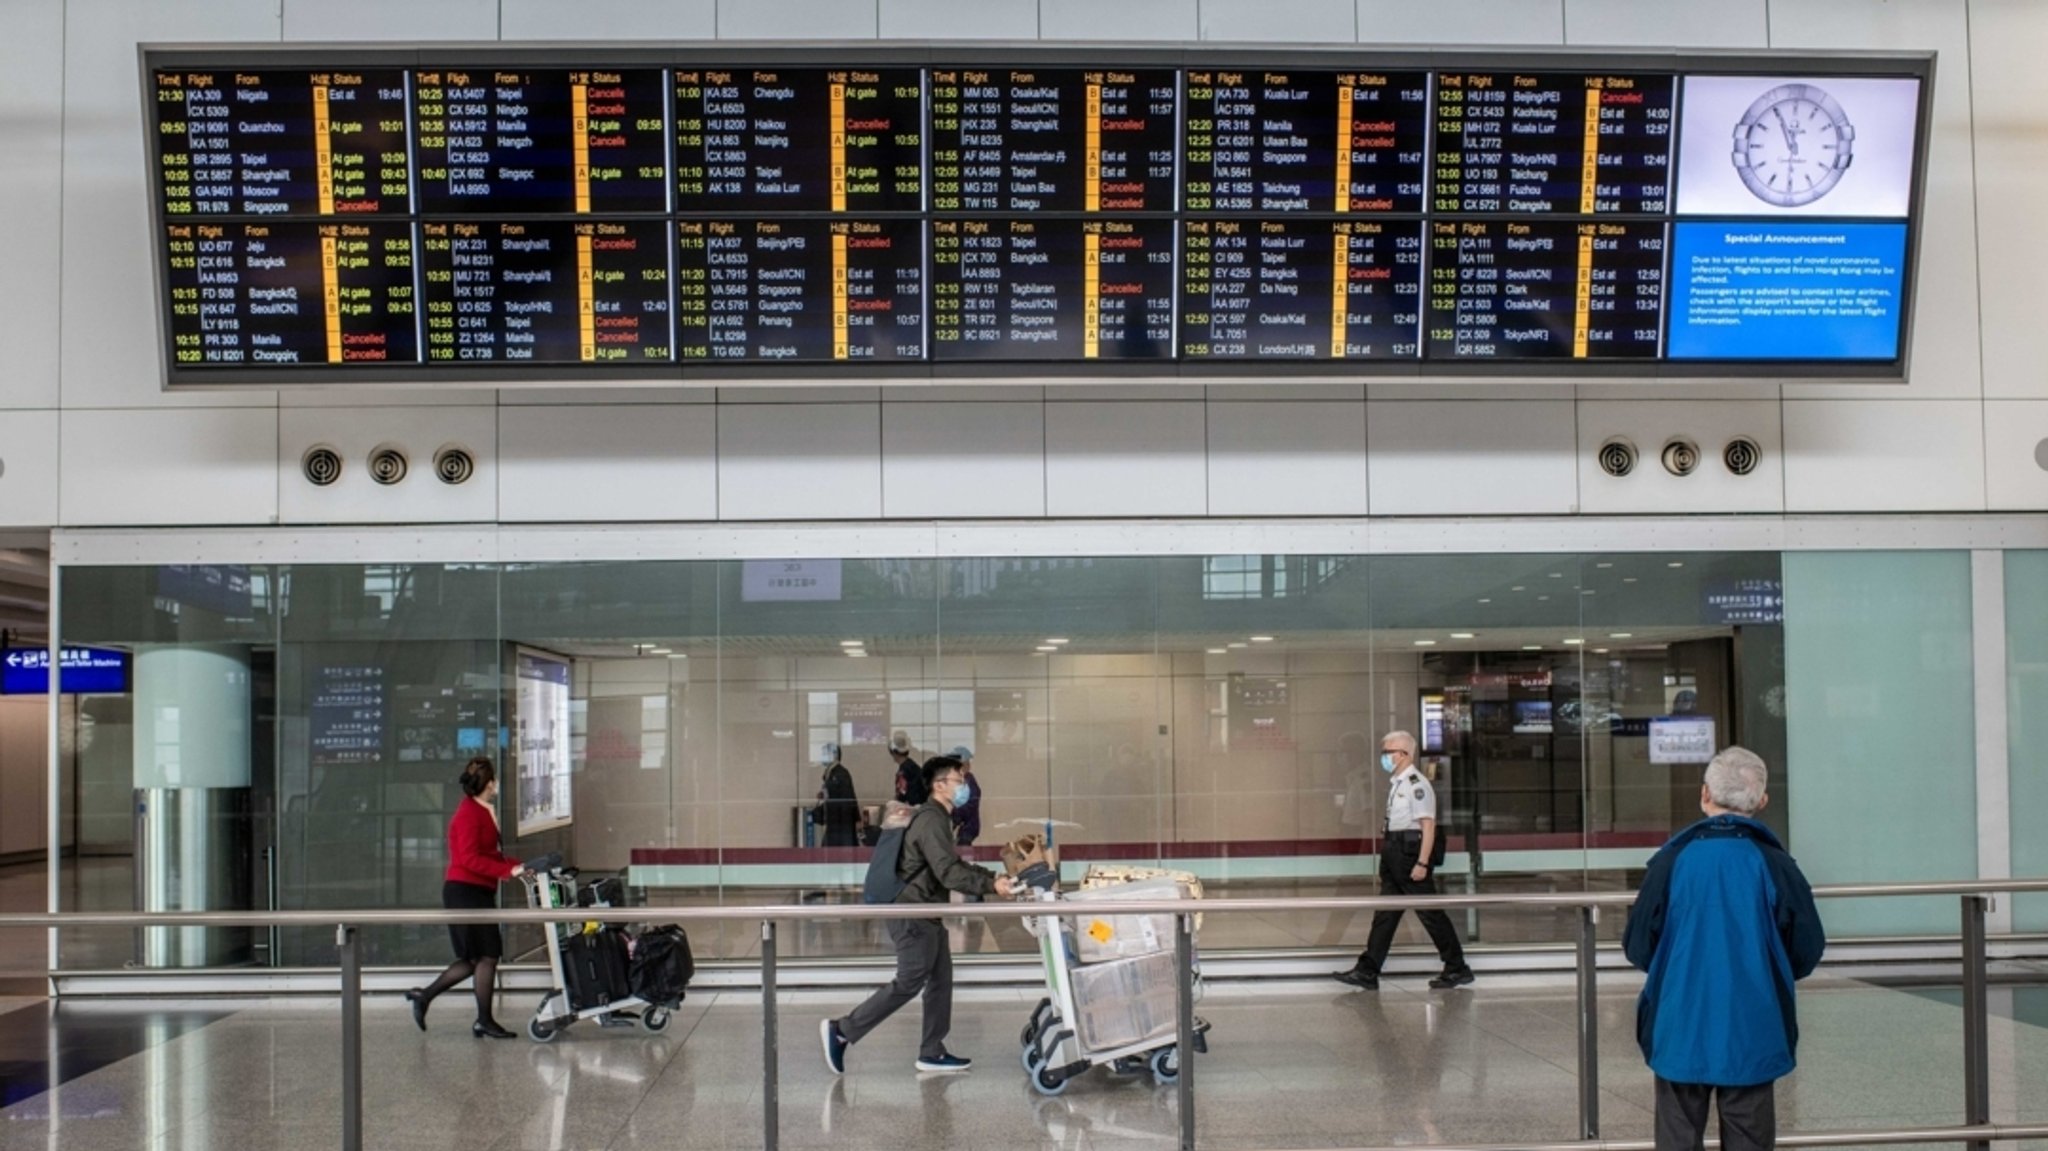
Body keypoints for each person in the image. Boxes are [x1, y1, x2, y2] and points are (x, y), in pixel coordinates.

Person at [1623, 746, 1825, 1151]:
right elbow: (1806, 948)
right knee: (1750, 1137)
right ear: (1762, 801)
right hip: (1754, 1024)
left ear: (1704, 795)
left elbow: (1638, 945)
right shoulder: (1775, 864)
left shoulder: (1671, 861)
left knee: (1677, 1136)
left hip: (1679, 1022)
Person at [821, 756, 1014, 1075]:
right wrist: (991, 884)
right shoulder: (931, 820)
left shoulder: (937, 818)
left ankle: (932, 1051)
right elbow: (949, 873)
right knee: (910, 980)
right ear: (940, 785)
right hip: (911, 910)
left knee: (940, 980)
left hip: (925, 908)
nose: (964, 786)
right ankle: (842, 1031)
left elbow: (951, 865)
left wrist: (993, 878)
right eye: (959, 780)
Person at [1333, 731, 1475, 991]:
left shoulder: (1416, 784)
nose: (1384, 757)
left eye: (1388, 752)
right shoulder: (1398, 783)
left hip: (1409, 853)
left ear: (1404, 754)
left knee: (1429, 913)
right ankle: (1368, 970)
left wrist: (1422, 863)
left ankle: (1457, 967)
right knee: (1386, 914)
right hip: (1394, 849)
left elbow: (1428, 826)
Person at [407, 757, 525, 1039]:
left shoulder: (481, 810)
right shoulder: (469, 814)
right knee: (487, 955)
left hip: (475, 891)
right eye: (495, 781)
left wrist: (521, 867)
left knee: (477, 958)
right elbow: (470, 859)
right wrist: (509, 870)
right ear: (490, 783)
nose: (497, 785)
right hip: (465, 891)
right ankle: (482, 1019)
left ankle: (426, 997)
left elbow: (490, 856)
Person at [812, 742, 860, 847]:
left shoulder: (839, 774)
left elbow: (847, 800)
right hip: (836, 823)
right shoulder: (832, 774)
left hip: (840, 824)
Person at [946, 745, 983, 847]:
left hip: (967, 827)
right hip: (959, 825)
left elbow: (970, 804)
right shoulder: (958, 780)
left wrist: (956, 817)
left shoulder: (969, 781)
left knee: (963, 851)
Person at [889, 731, 927, 807]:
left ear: (894, 753)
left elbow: (902, 794)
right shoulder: (913, 766)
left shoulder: (903, 771)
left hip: (911, 808)